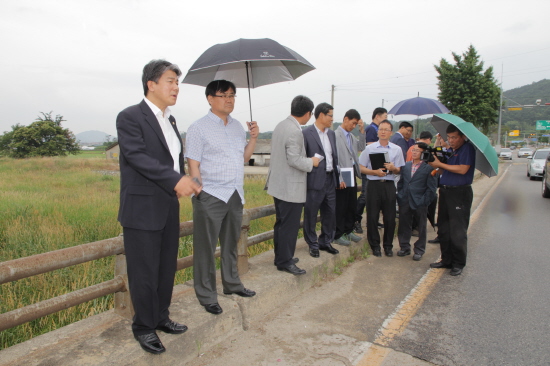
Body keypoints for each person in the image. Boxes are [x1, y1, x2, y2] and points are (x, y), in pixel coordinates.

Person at [117, 59, 201, 354]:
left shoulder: (171, 120)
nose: (176, 87)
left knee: (166, 268)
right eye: (170, 81)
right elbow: (137, 157)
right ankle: (143, 326)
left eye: (177, 82)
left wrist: (182, 180)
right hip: (141, 211)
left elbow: (170, 159)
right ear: (151, 84)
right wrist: (175, 180)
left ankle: (161, 317)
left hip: (167, 206)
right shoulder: (130, 117)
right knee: (144, 271)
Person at [185, 80, 258, 315]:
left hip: (235, 193)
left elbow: (243, 158)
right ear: (209, 98)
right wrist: (199, 194)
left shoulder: (238, 127)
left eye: (232, 95)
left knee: (230, 244)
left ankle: (232, 284)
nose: (229, 99)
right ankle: (206, 295)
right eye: (223, 95)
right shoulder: (198, 128)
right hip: (211, 194)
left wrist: (254, 138)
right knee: (206, 248)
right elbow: (193, 164)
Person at [265, 95, 319, 275]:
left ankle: (280, 256)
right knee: (289, 225)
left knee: (281, 223)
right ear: (308, 113)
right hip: (290, 186)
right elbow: (294, 160)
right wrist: (312, 162)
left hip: (278, 184)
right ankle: (285, 261)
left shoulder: (281, 125)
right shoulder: (295, 131)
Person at [428, 125, 476, 276]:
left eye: (454, 137)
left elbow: (463, 169)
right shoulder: (451, 150)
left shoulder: (467, 149)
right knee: (444, 227)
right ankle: (446, 259)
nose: (451, 140)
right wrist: (436, 164)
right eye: (449, 137)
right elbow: (443, 169)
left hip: (460, 193)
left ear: (462, 137)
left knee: (457, 230)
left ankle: (458, 263)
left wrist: (440, 165)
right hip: (446, 190)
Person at [358, 120, 405, 257]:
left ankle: (388, 246)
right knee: (372, 217)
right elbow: (361, 167)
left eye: (386, 129)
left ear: (391, 132)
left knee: (390, 217)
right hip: (373, 185)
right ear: (378, 132)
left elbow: (400, 170)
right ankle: (375, 246)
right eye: (381, 129)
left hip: (389, 185)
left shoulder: (397, 149)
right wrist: (374, 172)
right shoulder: (370, 149)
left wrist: (393, 168)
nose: (383, 131)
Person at [303, 102, 341, 258]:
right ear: (321, 115)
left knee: (330, 212)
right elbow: (303, 158)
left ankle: (325, 241)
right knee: (311, 213)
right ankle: (312, 243)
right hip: (314, 180)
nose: (332, 119)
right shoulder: (306, 133)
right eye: (330, 115)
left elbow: (334, 157)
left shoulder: (331, 134)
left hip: (330, 178)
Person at [397, 143, 437, 261]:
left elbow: (431, 188)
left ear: (423, 153)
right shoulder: (406, 165)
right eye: (413, 150)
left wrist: (424, 201)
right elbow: (401, 183)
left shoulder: (429, 168)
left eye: (417, 151)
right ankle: (404, 247)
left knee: (421, 226)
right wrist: (400, 196)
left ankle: (419, 250)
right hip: (405, 200)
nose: (414, 152)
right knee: (404, 224)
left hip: (420, 201)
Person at [333, 109, 365, 246]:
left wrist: (362, 131)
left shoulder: (352, 137)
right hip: (342, 172)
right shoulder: (334, 135)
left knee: (351, 204)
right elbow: (334, 158)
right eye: (352, 123)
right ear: (345, 119)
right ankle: (337, 234)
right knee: (341, 204)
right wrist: (338, 177)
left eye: (356, 124)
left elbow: (362, 146)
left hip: (351, 171)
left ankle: (348, 230)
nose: (353, 126)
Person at [355, 107, 387, 233]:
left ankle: (372, 221)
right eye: (385, 117)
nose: (385, 120)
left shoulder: (375, 129)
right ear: (377, 117)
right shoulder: (371, 130)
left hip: (375, 169)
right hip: (368, 169)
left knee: (373, 196)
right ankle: (356, 220)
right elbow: (367, 148)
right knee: (365, 195)